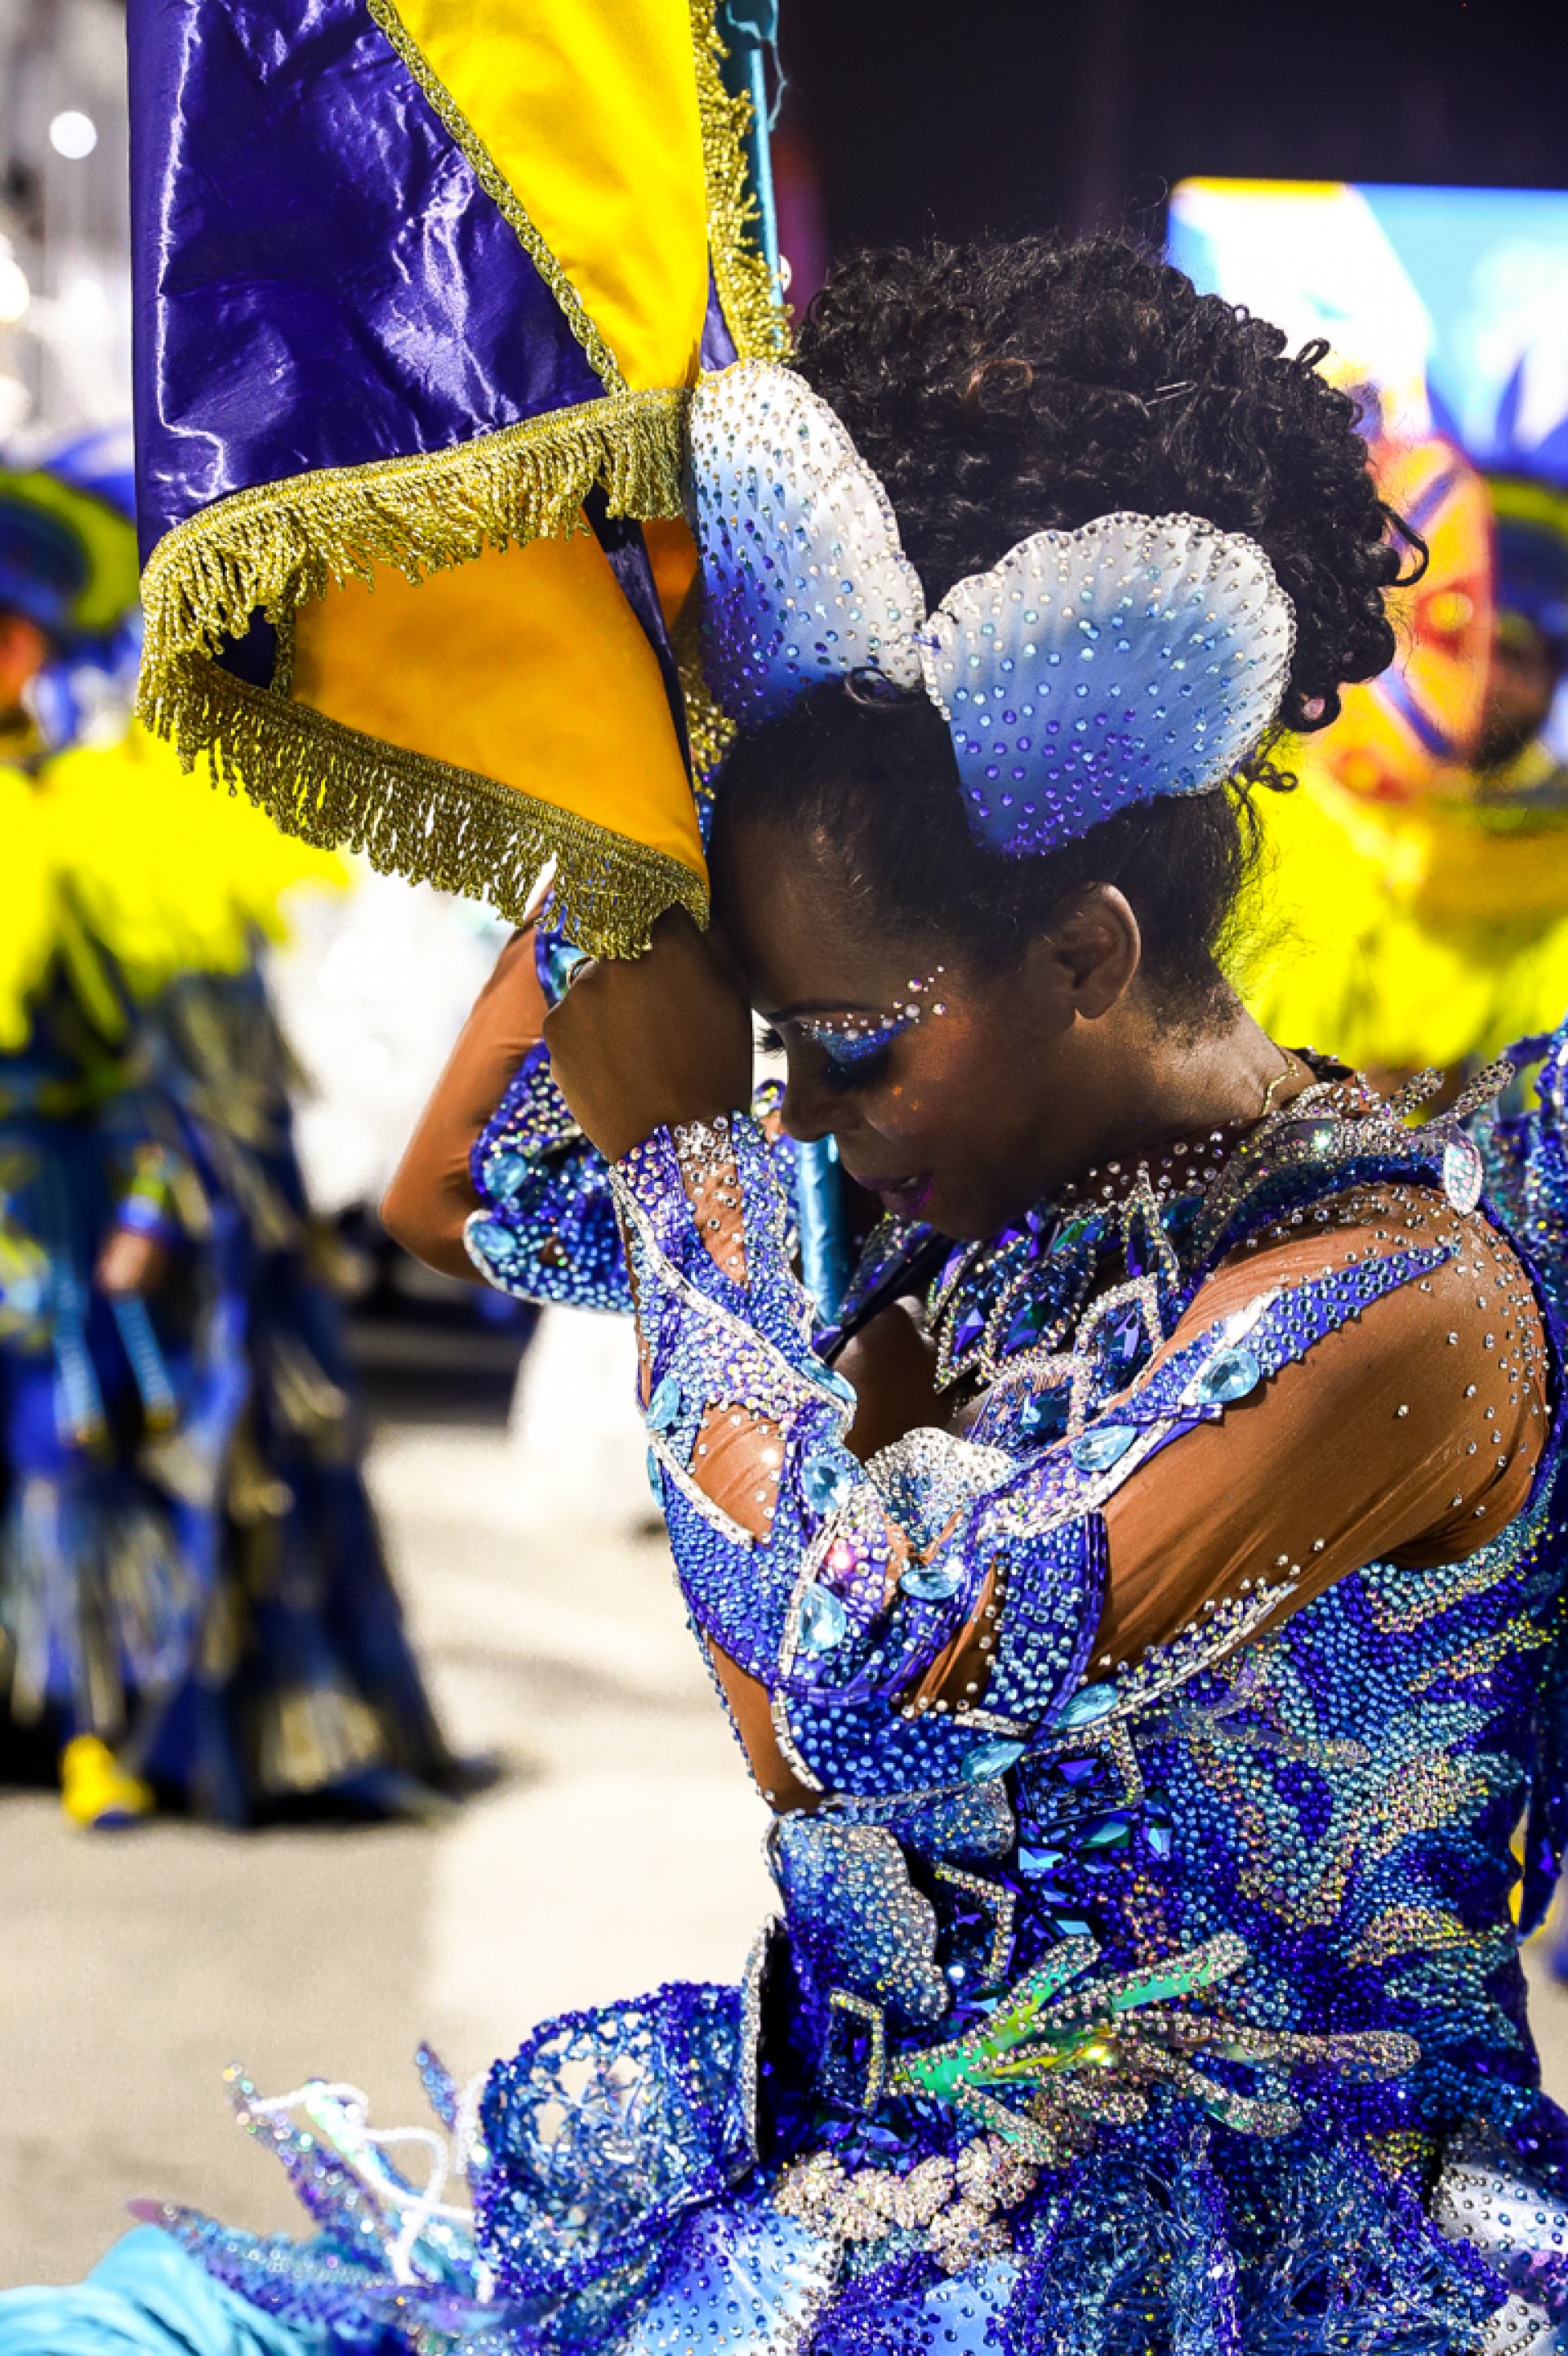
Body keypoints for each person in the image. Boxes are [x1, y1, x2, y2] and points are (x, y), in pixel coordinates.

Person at [9, 233, 1568, 2354]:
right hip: (847, 2203)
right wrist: (638, 795)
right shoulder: (979, 1192)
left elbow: (868, 1693)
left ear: (1089, 954)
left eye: (852, 1044)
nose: (817, 1125)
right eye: (788, 1047)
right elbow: (466, 1187)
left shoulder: (1403, 1303)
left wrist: (694, 1166)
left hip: (1245, 2276)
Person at [0, 454, 466, 1828]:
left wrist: (150, 1208)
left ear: (25, 644)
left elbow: (191, 1064)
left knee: (68, 1456)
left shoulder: (105, 823)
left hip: (62, 1214)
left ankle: (107, 1721)